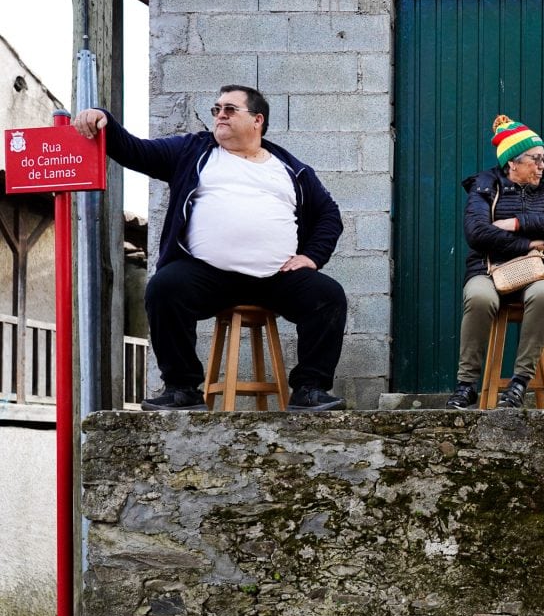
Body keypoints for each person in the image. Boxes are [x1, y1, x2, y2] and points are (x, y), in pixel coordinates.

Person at [73, 85, 348, 411]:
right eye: (216, 109)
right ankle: (181, 389)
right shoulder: (192, 152)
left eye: (230, 109)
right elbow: (136, 151)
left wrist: (312, 257)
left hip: (275, 277)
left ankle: (310, 389)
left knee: (327, 296)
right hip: (207, 274)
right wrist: (105, 119)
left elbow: (329, 214)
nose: (220, 115)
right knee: (164, 288)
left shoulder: (291, 169)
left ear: (257, 120)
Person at [445, 115, 544, 409]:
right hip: (487, 269)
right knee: (478, 298)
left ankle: (518, 383)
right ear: (512, 163)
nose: (542, 166)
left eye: (543, 159)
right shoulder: (485, 187)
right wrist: (528, 242)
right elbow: (477, 233)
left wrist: (515, 223)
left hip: (534, 271)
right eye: (536, 159)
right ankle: (466, 385)